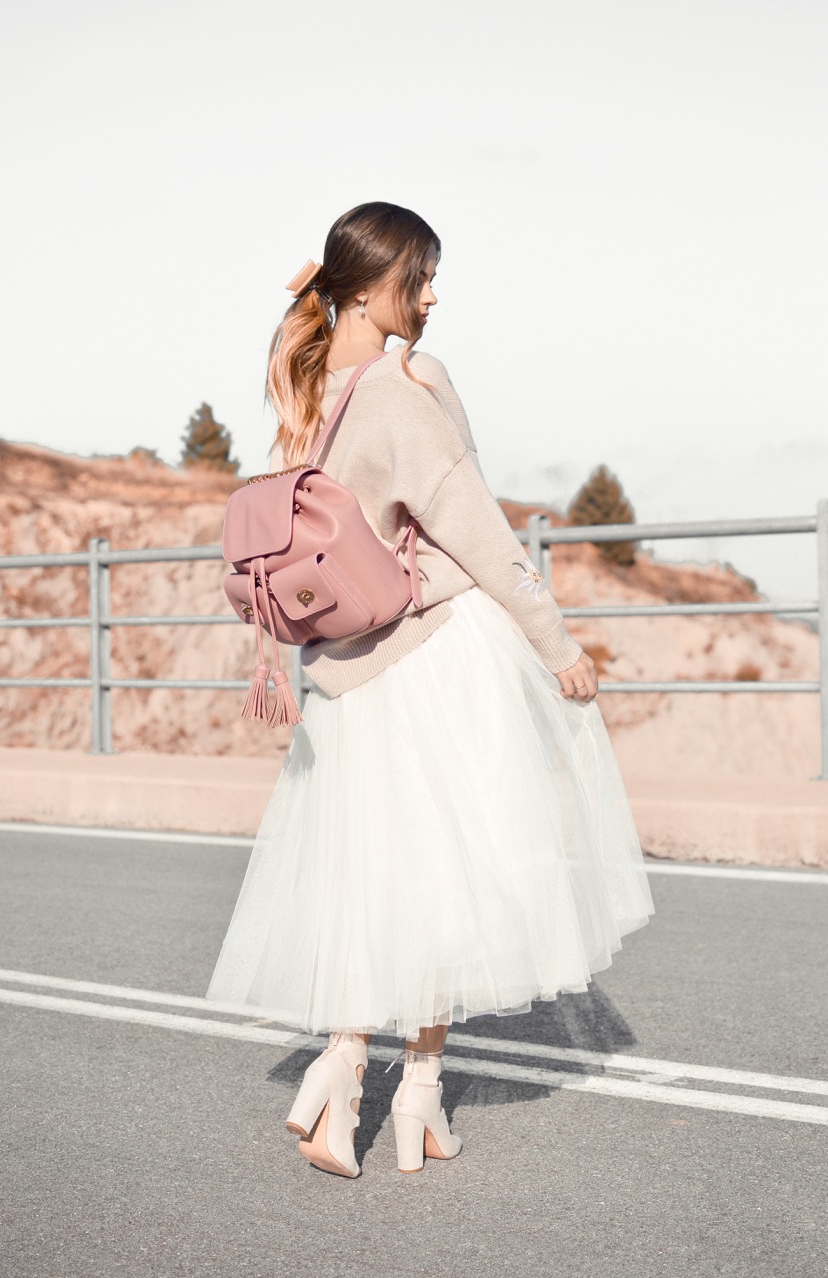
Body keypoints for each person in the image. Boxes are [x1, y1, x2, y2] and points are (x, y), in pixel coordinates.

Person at [207, 201, 655, 1179]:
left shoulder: (303, 384)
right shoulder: (412, 385)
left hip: (343, 677)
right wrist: (557, 645)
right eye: (421, 275)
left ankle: (339, 1064)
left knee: (369, 878)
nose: (433, 293)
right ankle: (416, 1095)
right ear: (372, 287)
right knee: (452, 879)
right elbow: (480, 535)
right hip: (433, 654)